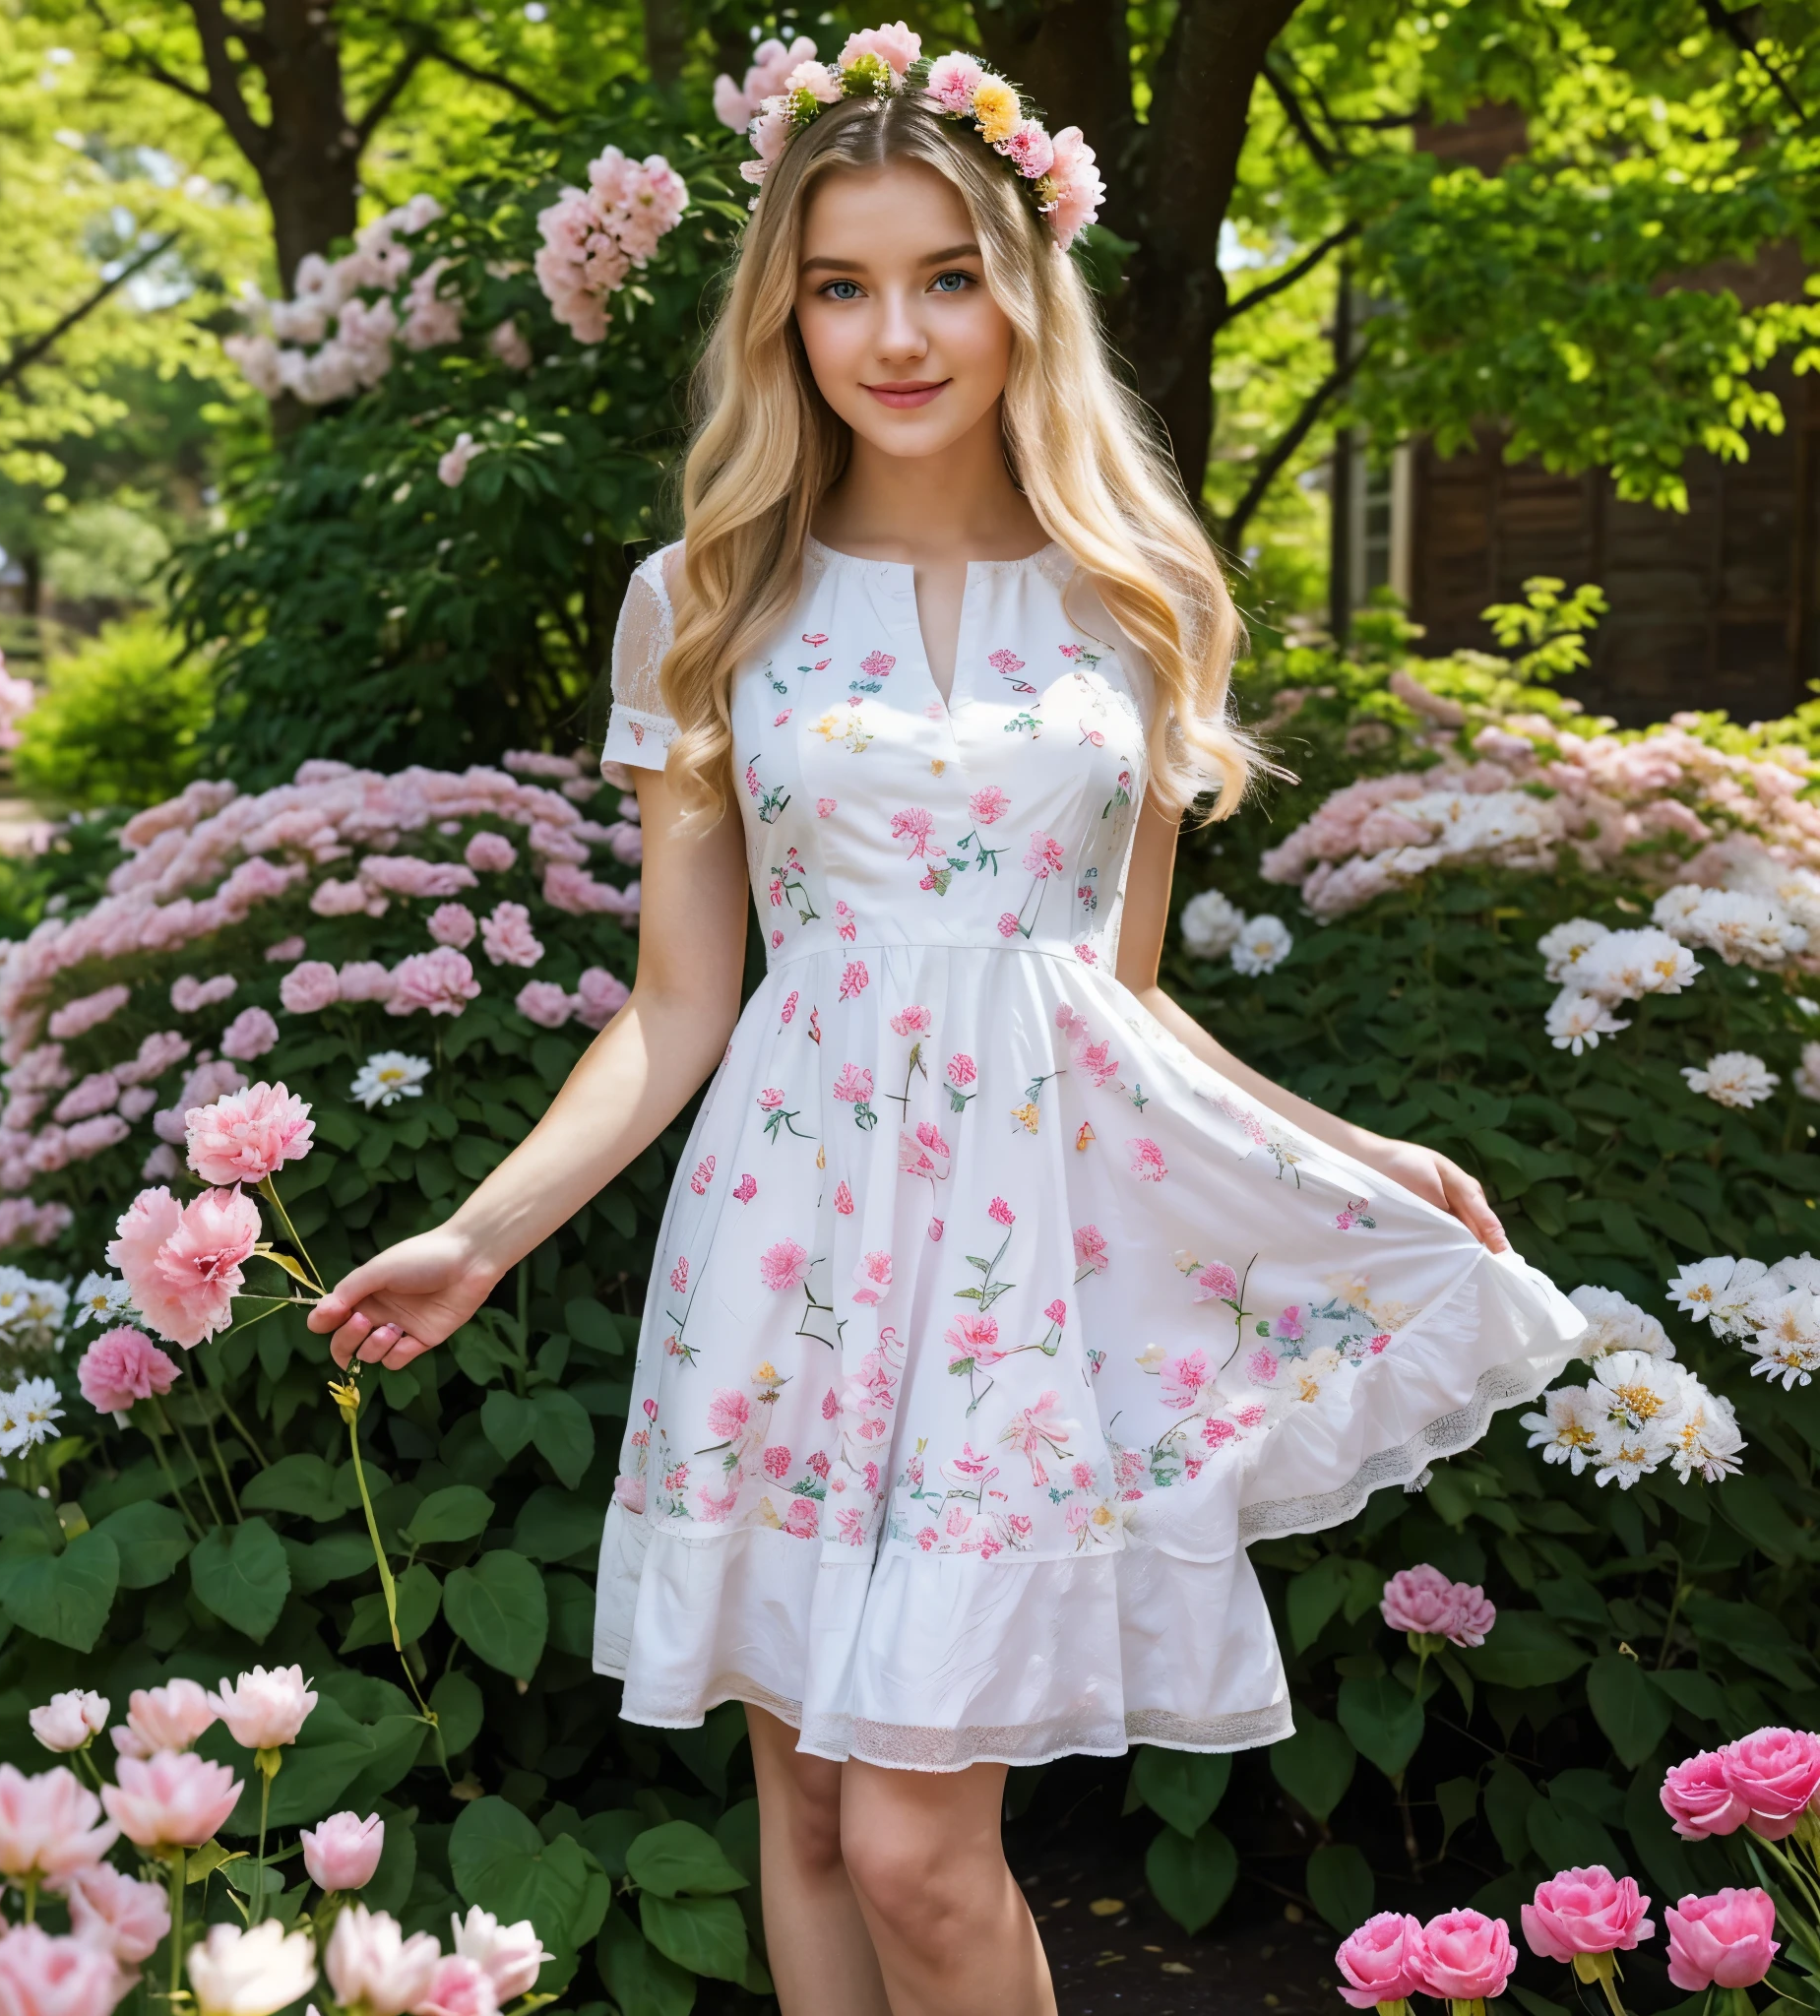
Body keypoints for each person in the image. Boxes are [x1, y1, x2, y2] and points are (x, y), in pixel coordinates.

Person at [308, 29, 1586, 2015]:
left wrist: (1341, 1149)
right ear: (783, 311)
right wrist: (483, 1232)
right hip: (789, 1247)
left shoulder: (1136, 596)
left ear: (1021, 291)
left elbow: (1116, 989)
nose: (892, 332)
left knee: (915, 1842)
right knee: (809, 1819)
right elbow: (677, 1001)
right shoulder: (708, 594)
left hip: (1016, 1270)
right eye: (838, 283)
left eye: (942, 274)